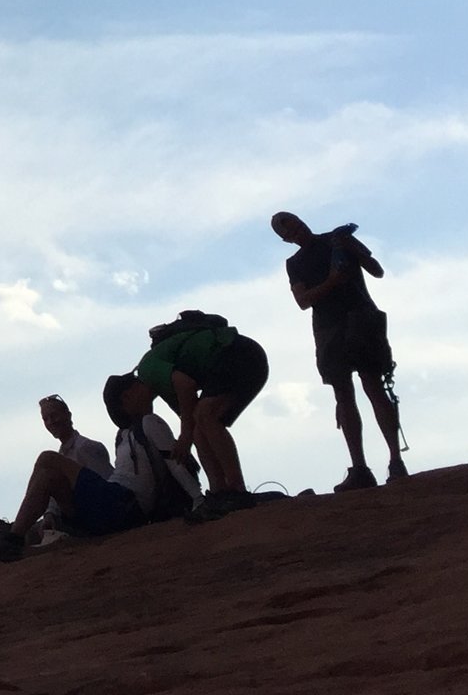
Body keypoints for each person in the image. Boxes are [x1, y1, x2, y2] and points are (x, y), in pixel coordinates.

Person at [0, 381, 202, 561]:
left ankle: (14, 537)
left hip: (125, 504)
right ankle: (9, 537)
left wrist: (198, 500)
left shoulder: (144, 425)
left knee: (47, 460)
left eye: (53, 415)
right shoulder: (126, 435)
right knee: (49, 473)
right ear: (127, 397)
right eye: (46, 418)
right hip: (115, 506)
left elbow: (175, 461)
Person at [272, 212, 408, 490]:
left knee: (371, 387)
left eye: (296, 225)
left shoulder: (337, 241)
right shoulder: (296, 262)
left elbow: (376, 270)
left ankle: (393, 461)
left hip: (355, 320)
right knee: (346, 395)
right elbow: (302, 300)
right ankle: (361, 467)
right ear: (286, 240)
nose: (297, 232)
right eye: (290, 231)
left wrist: (353, 250)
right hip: (333, 326)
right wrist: (334, 281)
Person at [113, 309, 270, 510]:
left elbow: (185, 384)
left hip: (237, 353)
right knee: (200, 424)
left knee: (206, 415)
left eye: (132, 413)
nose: (142, 417)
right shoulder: (163, 385)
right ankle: (218, 491)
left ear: (127, 396)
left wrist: (185, 436)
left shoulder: (147, 369)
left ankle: (237, 489)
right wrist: (187, 436)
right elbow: (190, 420)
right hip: (239, 359)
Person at [35, 393, 109, 531]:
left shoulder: (87, 447)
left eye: (54, 415)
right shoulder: (62, 453)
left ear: (68, 415)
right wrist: (50, 513)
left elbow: (105, 486)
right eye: (46, 419)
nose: (51, 422)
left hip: (92, 519)